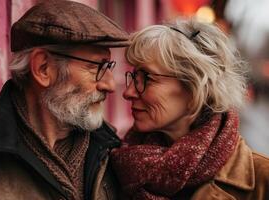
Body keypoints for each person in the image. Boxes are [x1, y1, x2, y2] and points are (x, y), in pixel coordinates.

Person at [0, 1, 129, 200]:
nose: (110, 85)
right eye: (97, 67)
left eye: (109, 67)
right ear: (43, 68)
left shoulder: (111, 150)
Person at [110, 19, 269, 200]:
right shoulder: (118, 165)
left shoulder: (262, 180)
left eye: (147, 78)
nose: (128, 92)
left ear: (195, 88)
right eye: (133, 76)